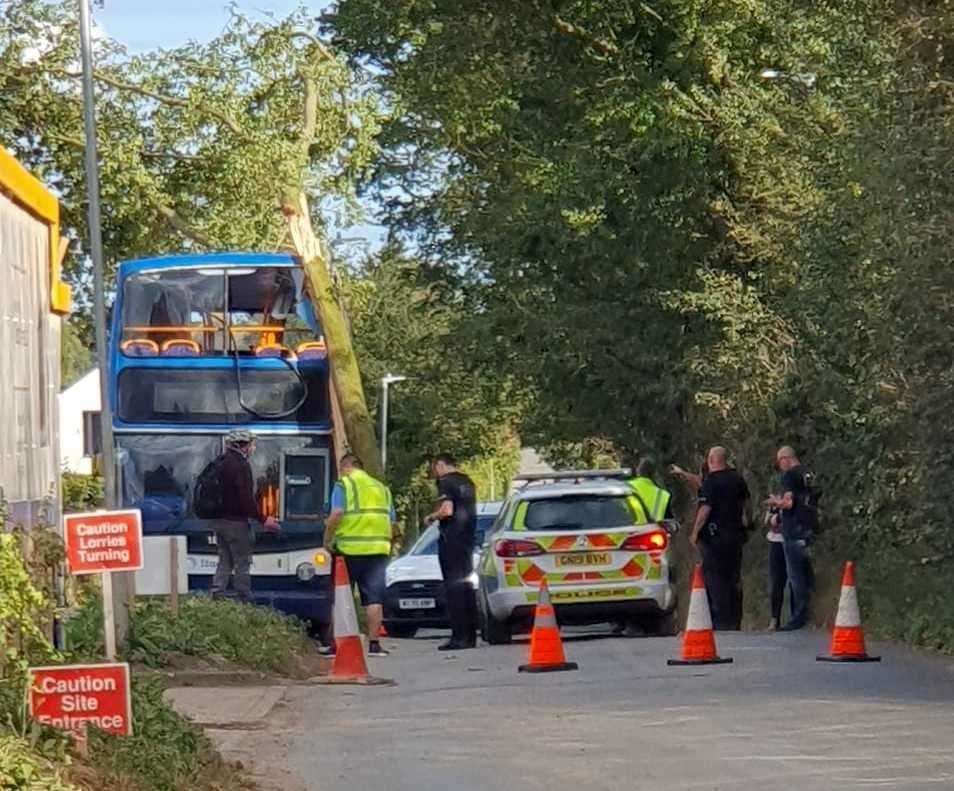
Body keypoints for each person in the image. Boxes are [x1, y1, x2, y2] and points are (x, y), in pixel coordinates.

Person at [324, 454, 398, 657]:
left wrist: (327, 537)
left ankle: (336, 645)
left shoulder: (344, 484)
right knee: (374, 599)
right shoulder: (382, 489)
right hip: (378, 550)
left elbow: (337, 513)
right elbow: (392, 522)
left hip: (348, 550)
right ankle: (374, 645)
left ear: (346, 467)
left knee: (341, 597)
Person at [211, 430, 280, 602]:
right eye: (251, 444)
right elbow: (245, 499)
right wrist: (264, 519)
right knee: (242, 561)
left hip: (218, 521)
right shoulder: (241, 465)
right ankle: (244, 598)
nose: (252, 447)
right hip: (236, 523)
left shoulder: (220, 462)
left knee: (224, 559)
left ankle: (217, 593)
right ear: (243, 445)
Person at [689, 446, 751, 630]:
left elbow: (705, 510)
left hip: (715, 538)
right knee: (734, 577)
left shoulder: (710, 482)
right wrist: (748, 523)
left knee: (716, 579)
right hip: (736, 537)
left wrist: (694, 532)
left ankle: (721, 620)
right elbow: (747, 505)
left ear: (711, 459)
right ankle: (735, 619)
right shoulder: (738, 479)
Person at [425, 454, 478, 651]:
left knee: (453, 586)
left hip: (451, 539)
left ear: (440, 465)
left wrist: (432, 516)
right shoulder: (467, 482)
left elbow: (447, 510)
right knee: (466, 585)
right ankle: (471, 635)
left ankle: (459, 637)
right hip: (467, 539)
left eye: (435, 468)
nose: (435, 473)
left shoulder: (446, 482)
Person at [766, 446, 814, 631]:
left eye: (780, 462)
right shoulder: (807, 473)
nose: (780, 466)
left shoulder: (789, 476)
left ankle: (798, 618)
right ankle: (802, 614)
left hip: (793, 530)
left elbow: (788, 502)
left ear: (785, 459)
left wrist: (774, 503)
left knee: (795, 577)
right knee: (805, 574)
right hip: (808, 527)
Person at [764, 504, 792, 631]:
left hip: (793, 541)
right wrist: (774, 520)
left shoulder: (799, 494)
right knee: (776, 582)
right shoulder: (777, 499)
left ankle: (795, 618)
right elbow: (768, 521)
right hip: (776, 542)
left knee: (794, 581)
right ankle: (774, 619)